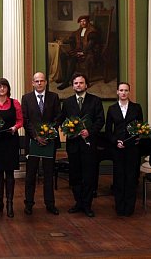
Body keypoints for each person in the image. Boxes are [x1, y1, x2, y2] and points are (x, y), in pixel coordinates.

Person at [61, 73, 104, 217]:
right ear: (72, 85)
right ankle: (78, 202)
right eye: (75, 83)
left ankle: (87, 205)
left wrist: (89, 131)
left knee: (89, 175)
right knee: (75, 175)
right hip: (73, 145)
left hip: (89, 145)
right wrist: (69, 128)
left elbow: (100, 120)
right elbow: (62, 120)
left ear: (86, 85)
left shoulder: (95, 101)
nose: (78, 85)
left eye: (81, 83)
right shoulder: (67, 102)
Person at [22, 72, 61, 216]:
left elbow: (58, 117)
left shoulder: (54, 97)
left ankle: (50, 204)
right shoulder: (26, 98)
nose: (39, 83)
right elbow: (25, 120)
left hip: (50, 142)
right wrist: (36, 136)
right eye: (36, 81)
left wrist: (49, 133)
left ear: (46, 82)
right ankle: (29, 204)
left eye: (42, 81)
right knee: (30, 175)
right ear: (32, 83)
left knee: (48, 175)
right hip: (33, 142)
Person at [105, 82, 143, 216]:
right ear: (117, 92)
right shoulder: (112, 109)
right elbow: (109, 131)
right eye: (121, 90)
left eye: (126, 90)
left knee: (131, 178)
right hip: (118, 148)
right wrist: (116, 142)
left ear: (129, 92)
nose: (123, 93)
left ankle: (129, 208)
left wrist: (134, 140)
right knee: (119, 177)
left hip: (132, 148)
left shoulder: (137, 108)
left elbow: (140, 128)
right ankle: (119, 207)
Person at [0, 78, 23, 218]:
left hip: (11, 140)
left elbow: (20, 121)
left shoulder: (15, 103)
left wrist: (15, 127)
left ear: (8, 89)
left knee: (10, 174)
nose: (2, 89)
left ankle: (10, 204)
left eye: (4, 87)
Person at [58, 15, 99, 90]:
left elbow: (91, 44)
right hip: (78, 50)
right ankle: (64, 78)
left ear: (87, 21)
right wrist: (64, 41)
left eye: (84, 21)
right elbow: (72, 38)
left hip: (88, 52)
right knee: (63, 55)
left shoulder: (92, 31)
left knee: (73, 58)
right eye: (81, 21)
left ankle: (66, 82)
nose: (82, 23)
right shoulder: (79, 31)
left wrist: (84, 52)